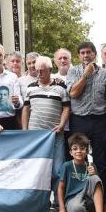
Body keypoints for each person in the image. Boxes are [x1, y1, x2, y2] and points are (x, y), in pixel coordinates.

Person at [22, 56, 70, 193]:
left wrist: (61, 125)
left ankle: (56, 202)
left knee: (57, 169)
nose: (39, 73)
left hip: (55, 133)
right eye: (37, 70)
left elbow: (66, 108)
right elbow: (25, 109)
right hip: (35, 135)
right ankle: (41, 201)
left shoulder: (61, 87)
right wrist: (25, 130)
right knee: (37, 168)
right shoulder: (30, 88)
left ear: (50, 70)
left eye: (42, 70)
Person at [66, 41, 106, 187]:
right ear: (79, 56)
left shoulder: (104, 74)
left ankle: (100, 192)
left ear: (94, 54)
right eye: (82, 53)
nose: (86, 55)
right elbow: (73, 93)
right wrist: (85, 75)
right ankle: (80, 190)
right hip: (80, 119)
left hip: (100, 119)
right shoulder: (73, 71)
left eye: (88, 52)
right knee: (79, 155)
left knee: (100, 157)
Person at [55, 133, 106, 212]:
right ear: (70, 152)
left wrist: (94, 173)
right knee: (77, 210)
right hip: (73, 199)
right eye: (75, 149)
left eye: (82, 148)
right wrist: (62, 209)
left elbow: (97, 185)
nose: (79, 151)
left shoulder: (91, 165)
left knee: (95, 178)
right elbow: (60, 188)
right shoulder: (66, 166)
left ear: (87, 151)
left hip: (88, 198)